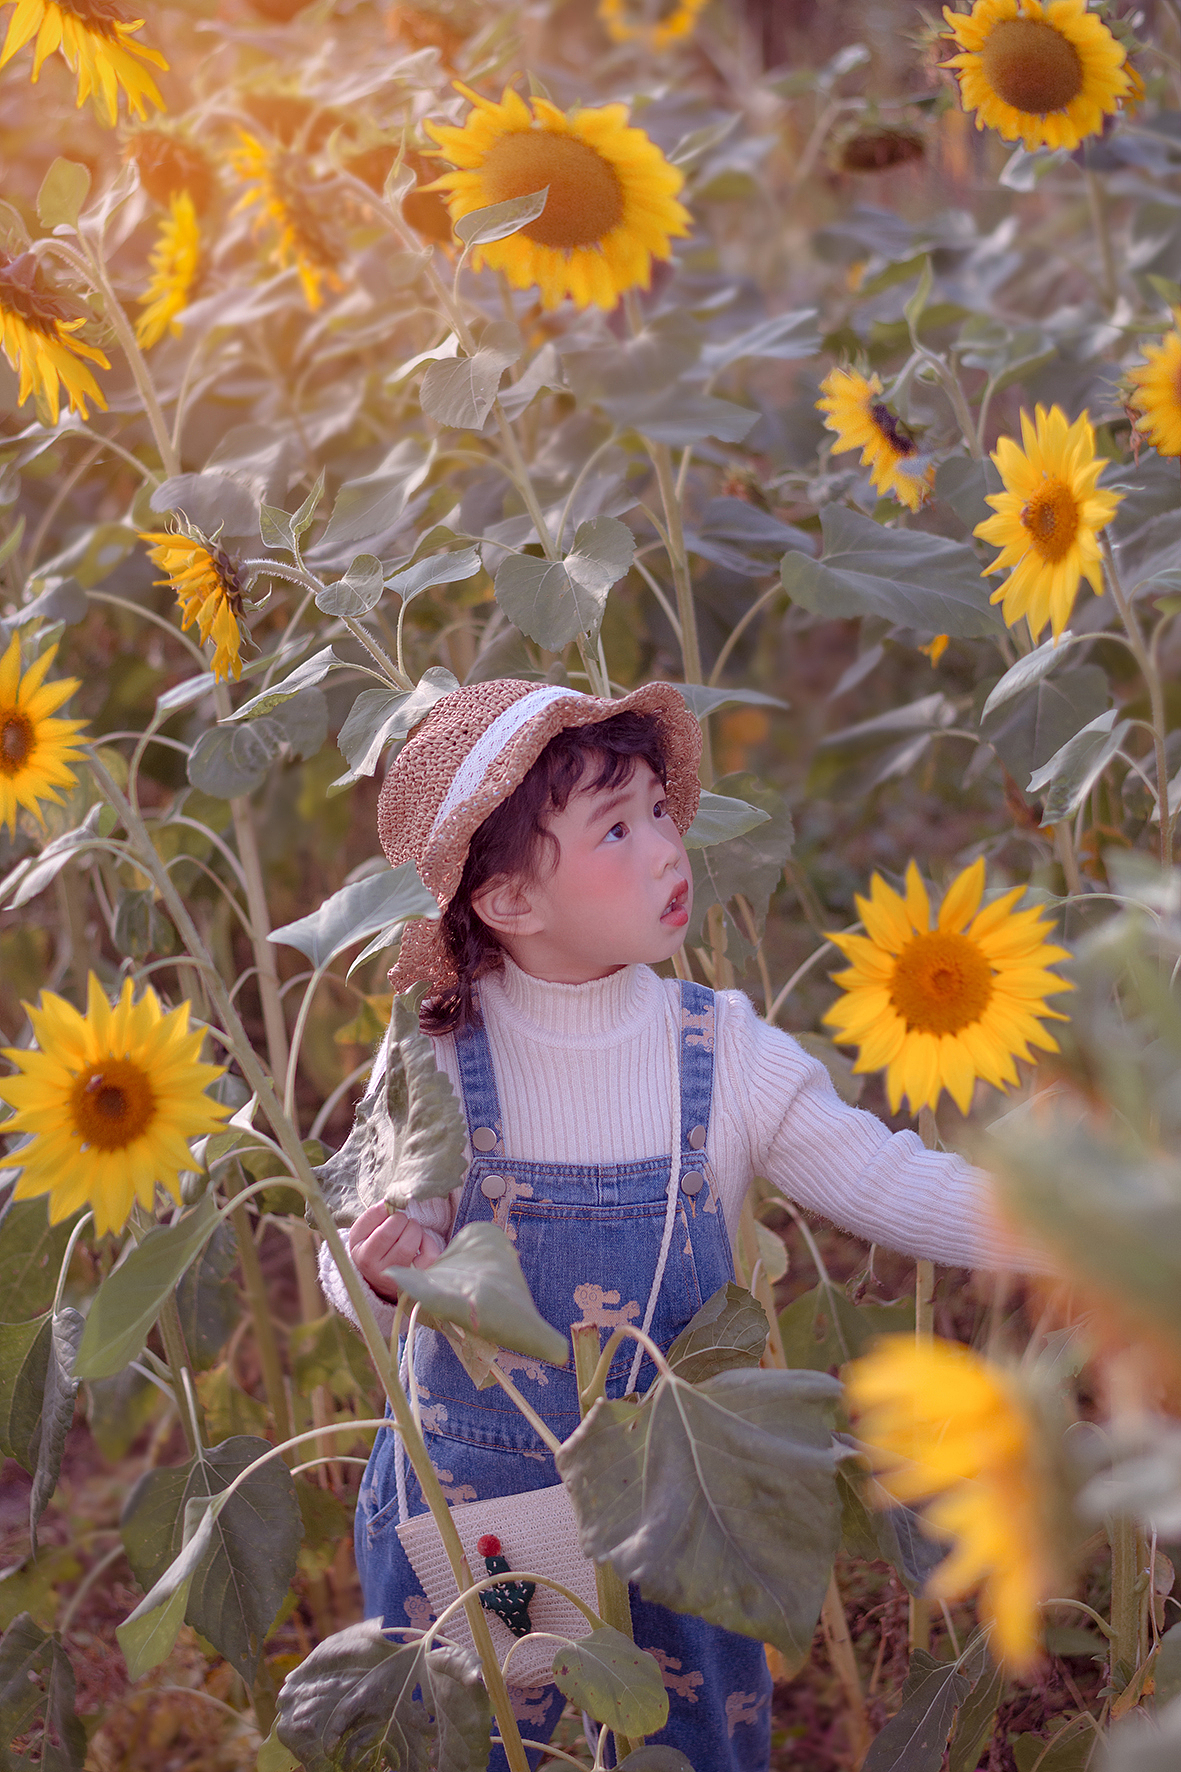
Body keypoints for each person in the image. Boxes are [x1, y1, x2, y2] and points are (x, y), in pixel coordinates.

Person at [318, 677, 1034, 1772]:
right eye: (616, 826)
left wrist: (1072, 1227)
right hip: (492, 1524)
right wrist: (380, 1271)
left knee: (683, 1749)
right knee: (499, 1745)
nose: (665, 846)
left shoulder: (721, 1050)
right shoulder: (436, 1058)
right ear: (509, 900)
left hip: (684, 1511)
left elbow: (890, 1179)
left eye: (659, 807)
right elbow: (365, 1240)